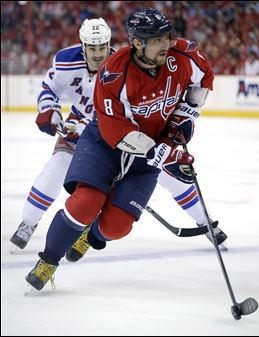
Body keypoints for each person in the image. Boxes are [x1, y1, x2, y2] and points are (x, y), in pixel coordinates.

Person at [26, 7, 224, 291]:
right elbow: (114, 130)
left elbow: (201, 84)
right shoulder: (113, 73)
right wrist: (163, 154)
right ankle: (48, 261)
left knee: (116, 227)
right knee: (86, 202)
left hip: (149, 152)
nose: (165, 45)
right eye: (156, 40)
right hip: (104, 145)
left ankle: (91, 235)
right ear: (137, 43)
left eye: (166, 37)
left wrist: (180, 127)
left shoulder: (186, 56)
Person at [10, 18, 114, 250]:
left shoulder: (120, 68)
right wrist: (50, 110)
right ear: (83, 46)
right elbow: (49, 89)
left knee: (100, 187)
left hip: (109, 133)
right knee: (55, 170)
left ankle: (91, 229)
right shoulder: (66, 60)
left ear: (109, 44)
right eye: (92, 48)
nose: (98, 54)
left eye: (102, 47)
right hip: (76, 124)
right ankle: (28, 223)